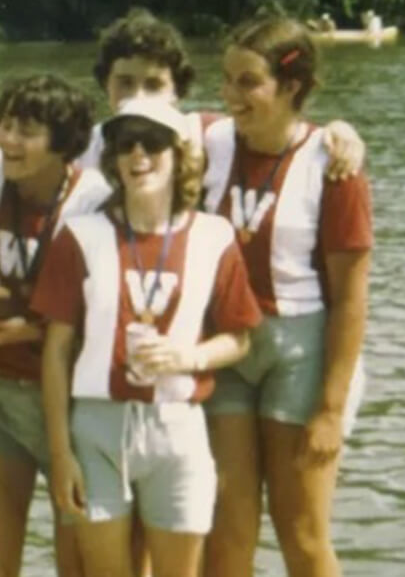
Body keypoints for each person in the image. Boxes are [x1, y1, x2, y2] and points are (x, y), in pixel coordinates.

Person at [35, 97, 263, 577]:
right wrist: (60, 455)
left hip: (177, 428)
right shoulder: (80, 236)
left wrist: (188, 356)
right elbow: (56, 353)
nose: (139, 155)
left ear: (180, 154)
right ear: (113, 158)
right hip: (96, 430)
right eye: (125, 144)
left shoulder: (215, 236)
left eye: (153, 142)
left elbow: (239, 339)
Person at [200, 16, 373, 577]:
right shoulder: (208, 140)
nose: (230, 95)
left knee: (300, 531)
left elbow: (351, 299)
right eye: (226, 80)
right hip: (227, 348)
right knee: (228, 529)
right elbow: (129, 125)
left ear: (291, 87)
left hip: (301, 350)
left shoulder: (334, 165)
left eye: (248, 82)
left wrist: (330, 408)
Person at [0, 74, 109, 577]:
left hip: (72, 402)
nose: (8, 141)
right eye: (4, 125)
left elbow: (116, 311)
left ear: (63, 143)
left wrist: (34, 330)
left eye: (26, 131)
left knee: (79, 564)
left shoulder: (97, 198)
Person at [79, 8, 364, 183]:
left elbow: (277, 126)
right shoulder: (81, 150)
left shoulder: (201, 136)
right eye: (125, 83)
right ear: (104, 83)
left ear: (177, 91)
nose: (138, 98)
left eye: (154, 86)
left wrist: (339, 131)